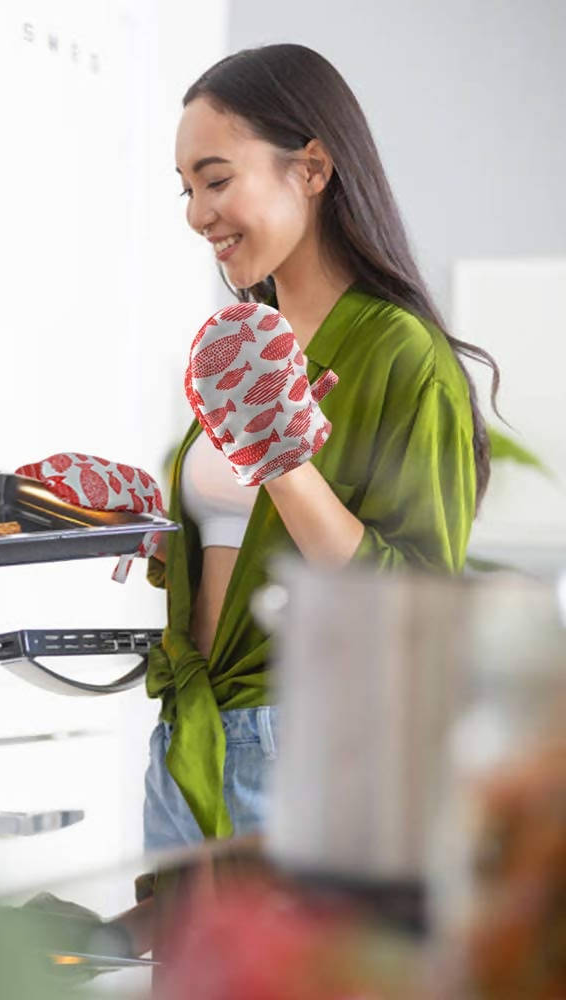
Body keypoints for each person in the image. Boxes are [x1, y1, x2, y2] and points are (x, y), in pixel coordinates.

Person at [141, 43, 500, 851]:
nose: (198, 213)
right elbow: (247, 551)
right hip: (187, 739)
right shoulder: (247, 346)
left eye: (217, 177)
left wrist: (284, 464)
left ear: (312, 168)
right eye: (188, 189)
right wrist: (151, 534)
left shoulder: (403, 354)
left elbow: (417, 614)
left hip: (303, 749)